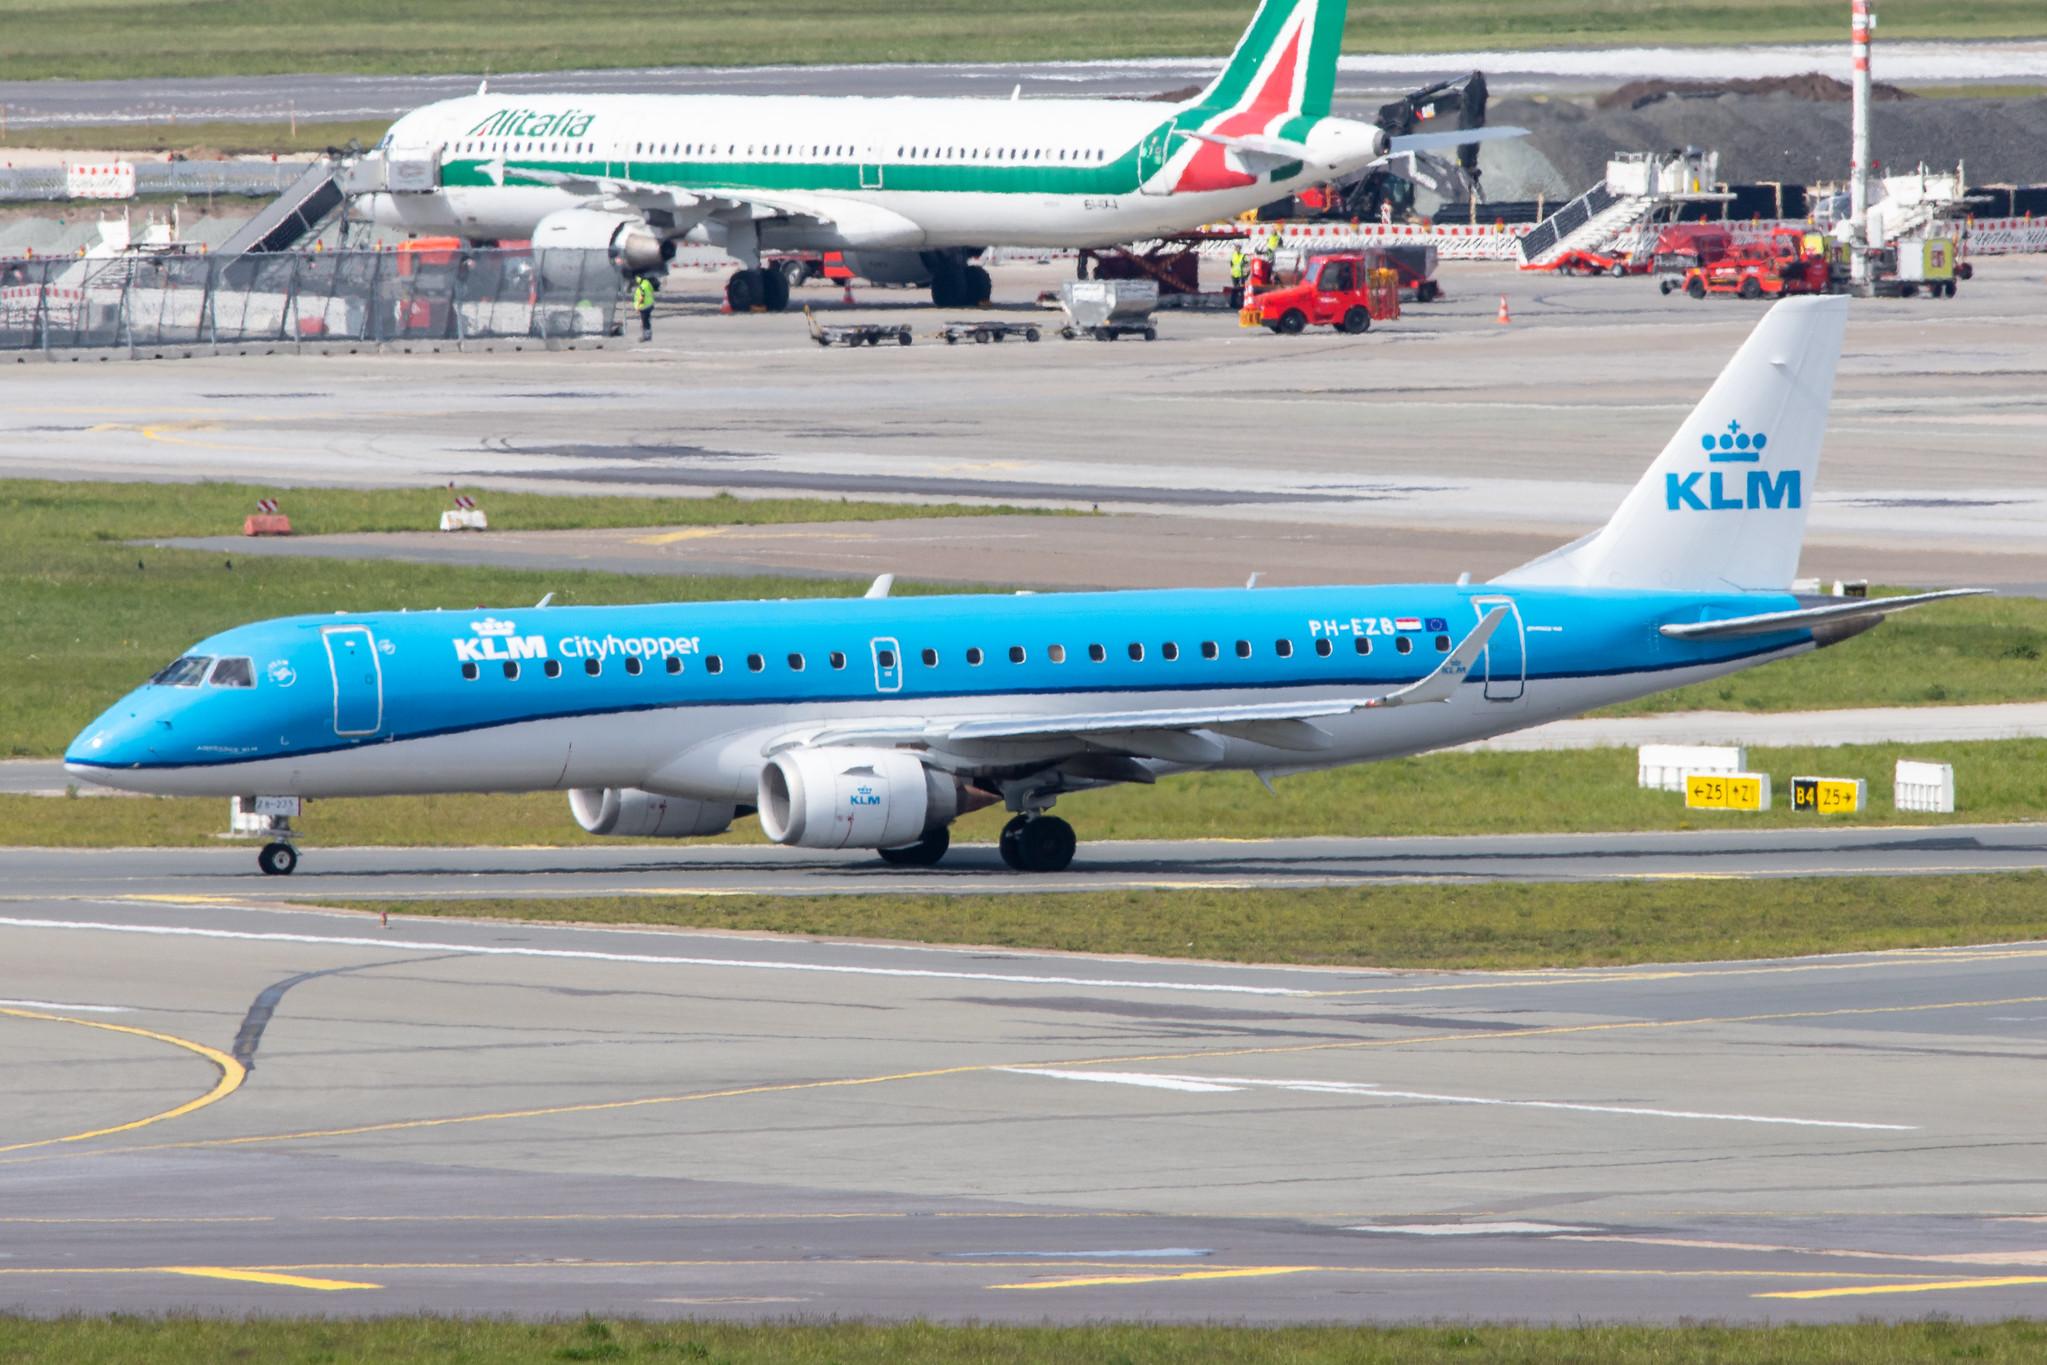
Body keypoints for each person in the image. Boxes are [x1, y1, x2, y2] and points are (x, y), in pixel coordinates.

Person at [633, 274, 657, 340]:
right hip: (650, 305)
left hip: (644, 307)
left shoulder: (641, 287)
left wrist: (638, 307)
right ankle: (648, 335)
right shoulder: (647, 283)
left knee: (644, 322)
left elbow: (641, 297)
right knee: (647, 321)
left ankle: (645, 336)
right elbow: (652, 291)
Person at [1227, 244, 1247, 309]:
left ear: (1240, 249)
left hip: (1241, 275)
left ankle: (1242, 304)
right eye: (1236, 248)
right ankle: (1233, 304)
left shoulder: (1243, 256)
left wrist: (1246, 274)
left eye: (1239, 248)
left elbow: (1247, 265)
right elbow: (1231, 264)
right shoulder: (1233, 255)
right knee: (1235, 289)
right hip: (1234, 274)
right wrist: (1231, 272)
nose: (1237, 249)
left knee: (1241, 290)